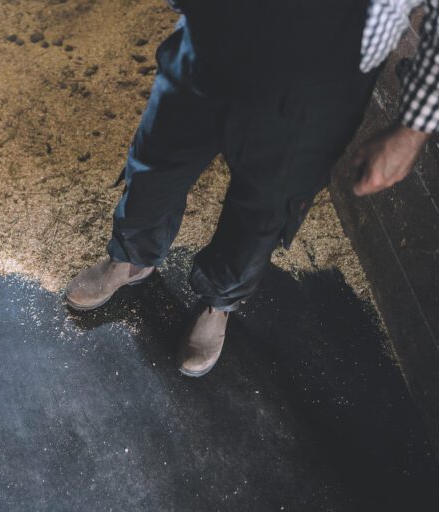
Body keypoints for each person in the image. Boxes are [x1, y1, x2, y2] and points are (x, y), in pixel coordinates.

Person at [65, 0, 438, 377]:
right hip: (220, 24)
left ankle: (219, 300)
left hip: (321, 73)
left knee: (266, 206)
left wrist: (412, 128)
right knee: (158, 157)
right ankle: (131, 258)